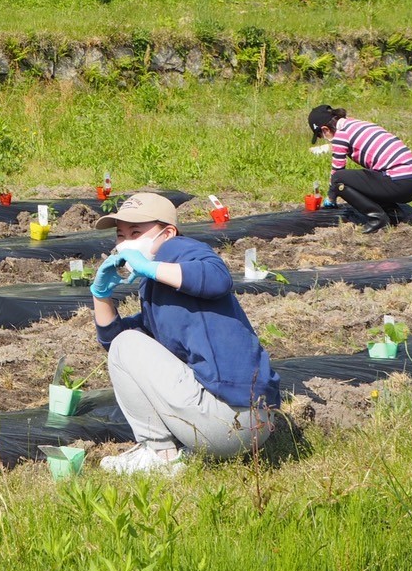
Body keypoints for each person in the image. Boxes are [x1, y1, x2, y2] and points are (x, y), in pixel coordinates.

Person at [88, 193, 279, 476]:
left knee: (127, 344)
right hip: (249, 423)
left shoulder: (181, 249)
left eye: (136, 232)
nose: (125, 243)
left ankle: (159, 454)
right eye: (120, 235)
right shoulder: (155, 294)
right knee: (126, 343)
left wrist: (149, 267)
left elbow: (217, 278)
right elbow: (114, 342)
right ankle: (179, 450)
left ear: (168, 233)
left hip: (232, 417)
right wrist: (100, 294)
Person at [307, 104, 412, 234]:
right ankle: (392, 212)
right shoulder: (355, 124)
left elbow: (337, 172)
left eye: (321, 135)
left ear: (325, 129)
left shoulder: (340, 135)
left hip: (399, 182)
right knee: (365, 179)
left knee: (339, 180)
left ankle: (377, 218)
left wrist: (331, 197)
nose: (325, 139)